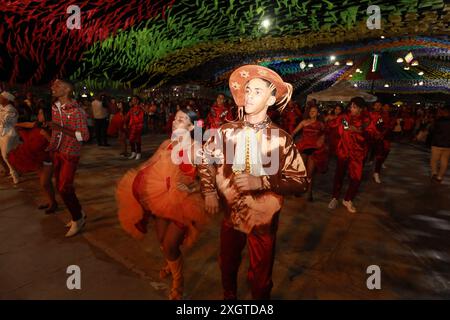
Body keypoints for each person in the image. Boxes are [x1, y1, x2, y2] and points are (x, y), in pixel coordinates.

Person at [198, 65, 310, 300]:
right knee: (227, 264)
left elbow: (300, 181)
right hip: (231, 215)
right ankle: (229, 297)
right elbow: (204, 158)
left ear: (271, 99)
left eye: (257, 91)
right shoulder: (227, 131)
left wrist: (263, 181)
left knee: (261, 278)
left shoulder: (281, 139)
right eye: (247, 90)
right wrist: (208, 190)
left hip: (263, 221)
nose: (249, 95)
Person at [116, 108, 208, 300]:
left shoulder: (197, 149)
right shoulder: (167, 144)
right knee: (162, 242)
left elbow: (210, 180)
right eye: (175, 118)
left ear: (191, 126)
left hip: (184, 204)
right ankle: (170, 263)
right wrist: (140, 188)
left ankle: (178, 283)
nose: (175, 122)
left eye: (181, 120)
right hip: (160, 199)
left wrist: (192, 189)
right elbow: (149, 167)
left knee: (170, 244)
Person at [47, 79, 90, 237]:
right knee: (60, 186)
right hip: (58, 151)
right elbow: (55, 132)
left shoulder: (77, 111)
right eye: (53, 85)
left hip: (71, 153)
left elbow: (84, 136)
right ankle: (78, 213)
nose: (52, 87)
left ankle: (78, 219)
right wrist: (52, 145)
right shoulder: (55, 107)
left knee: (64, 187)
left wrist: (61, 128)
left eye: (57, 85)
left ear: (67, 89)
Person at [327, 97, 377, 213]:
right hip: (344, 151)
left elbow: (371, 134)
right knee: (339, 175)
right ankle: (335, 197)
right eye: (351, 106)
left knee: (356, 178)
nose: (351, 109)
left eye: (354, 107)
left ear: (360, 109)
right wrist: (353, 128)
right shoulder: (345, 117)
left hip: (358, 154)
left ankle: (348, 199)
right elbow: (344, 127)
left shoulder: (367, 120)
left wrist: (359, 131)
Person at [8, 107, 57, 213]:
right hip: (37, 157)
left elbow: (56, 144)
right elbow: (27, 124)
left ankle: (53, 203)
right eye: (38, 113)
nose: (38, 115)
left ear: (47, 115)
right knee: (44, 183)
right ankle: (51, 202)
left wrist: (47, 135)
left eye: (41, 113)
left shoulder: (53, 127)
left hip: (48, 157)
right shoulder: (37, 124)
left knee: (45, 182)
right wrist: (16, 125)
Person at [292, 104, 328, 201]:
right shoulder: (304, 122)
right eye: (310, 111)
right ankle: (299, 189)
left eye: (314, 111)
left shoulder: (321, 124)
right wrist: (288, 138)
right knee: (301, 171)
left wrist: (322, 139)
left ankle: (309, 192)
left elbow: (324, 134)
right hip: (303, 148)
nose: (312, 112)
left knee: (310, 173)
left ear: (318, 113)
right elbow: (294, 132)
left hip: (314, 149)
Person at [0, 91, 19, 184]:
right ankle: (15, 171)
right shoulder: (1, 107)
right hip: (2, 133)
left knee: (6, 155)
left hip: (9, 133)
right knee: (7, 155)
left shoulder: (11, 110)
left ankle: (14, 174)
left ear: (6, 99)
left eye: (1, 97)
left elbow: (5, 121)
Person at [430, 104, 450, 183]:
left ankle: (434, 172)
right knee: (444, 161)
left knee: (434, 160)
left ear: (444, 112)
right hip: (448, 145)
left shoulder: (438, 121)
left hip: (437, 143)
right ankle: (440, 177)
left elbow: (431, 131)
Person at [126, 96, 144, 160]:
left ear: (137, 101)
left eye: (134, 99)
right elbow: (127, 117)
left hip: (138, 126)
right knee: (131, 140)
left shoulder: (140, 108)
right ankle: (133, 152)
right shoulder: (131, 109)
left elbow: (141, 118)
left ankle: (138, 153)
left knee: (137, 140)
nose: (132, 101)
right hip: (132, 126)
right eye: (132, 99)